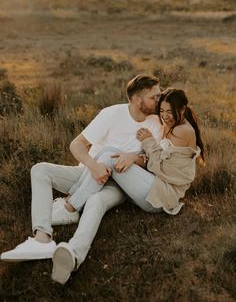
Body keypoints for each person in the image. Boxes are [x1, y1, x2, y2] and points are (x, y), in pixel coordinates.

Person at [1, 75, 163, 279]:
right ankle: (42, 238)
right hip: (88, 173)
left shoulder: (157, 122)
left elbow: (154, 158)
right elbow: (76, 145)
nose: (160, 100)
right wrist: (94, 167)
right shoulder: (111, 114)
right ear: (138, 100)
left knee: (96, 201)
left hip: (119, 185)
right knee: (40, 170)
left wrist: (134, 157)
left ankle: (74, 251)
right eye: (155, 97)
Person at [49, 88, 204, 284]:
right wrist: (135, 156)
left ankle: (71, 206)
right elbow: (155, 160)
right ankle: (74, 253)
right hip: (147, 187)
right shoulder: (170, 126)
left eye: (170, 112)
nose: (165, 116)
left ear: (182, 109)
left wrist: (146, 142)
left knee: (108, 155)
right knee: (96, 199)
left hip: (160, 195)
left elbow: (163, 168)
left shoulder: (183, 130)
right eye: (162, 111)